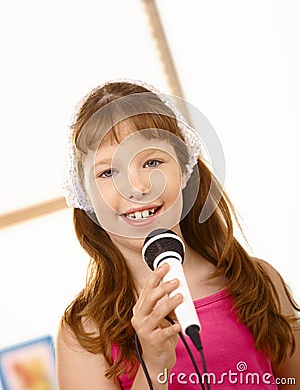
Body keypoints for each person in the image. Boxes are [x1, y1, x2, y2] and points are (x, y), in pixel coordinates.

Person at [56, 80, 299, 390]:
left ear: (185, 169)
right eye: (107, 172)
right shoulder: (84, 332)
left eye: (152, 162)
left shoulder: (257, 281)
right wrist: (155, 366)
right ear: (85, 195)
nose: (138, 187)